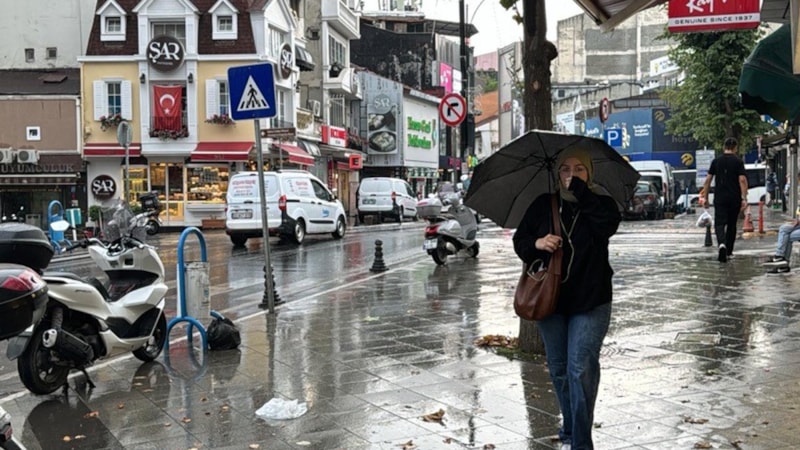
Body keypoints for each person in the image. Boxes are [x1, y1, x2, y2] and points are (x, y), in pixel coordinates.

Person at [513, 147, 621, 450]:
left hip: (591, 299)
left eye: (579, 169)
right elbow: (520, 242)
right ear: (556, 174)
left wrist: (582, 193)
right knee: (559, 369)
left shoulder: (601, 205)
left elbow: (607, 227)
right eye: (564, 169)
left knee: (580, 368)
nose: (571, 175)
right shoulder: (542, 206)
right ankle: (573, 424)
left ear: (590, 173)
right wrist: (538, 243)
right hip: (551, 301)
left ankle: (581, 443)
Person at [700, 138, 748, 263]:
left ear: (724, 147)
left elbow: (708, 180)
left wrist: (705, 197)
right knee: (732, 224)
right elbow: (742, 180)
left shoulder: (716, 161)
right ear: (735, 147)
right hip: (734, 198)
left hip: (720, 197)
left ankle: (721, 244)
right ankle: (729, 251)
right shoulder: (738, 162)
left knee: (719, 223)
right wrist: (744, 197)